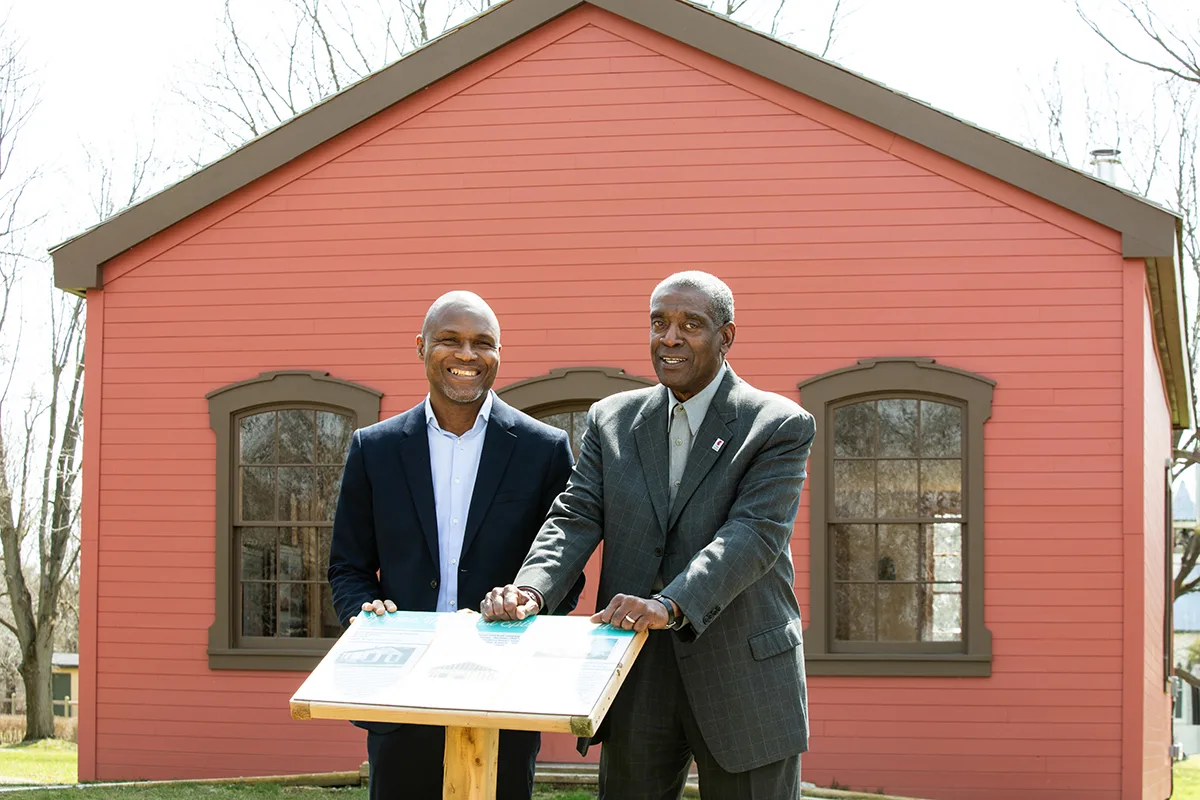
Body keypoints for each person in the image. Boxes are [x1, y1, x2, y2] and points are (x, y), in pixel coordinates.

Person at [482, 271, 814, 799]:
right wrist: (532, 589)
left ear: (726, 337)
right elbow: (575, 514)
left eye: (691, 324)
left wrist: (670, 604)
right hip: (635, 673)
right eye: (659, 322)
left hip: (743, 674)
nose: (670, 337)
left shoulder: (777, 425)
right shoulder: (612, 420)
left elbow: (752, 535)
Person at [328, 291, 583, 800]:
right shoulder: (373, 449)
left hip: (502, 695)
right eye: (450, 340)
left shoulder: (543, 449)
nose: (466, 355)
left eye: (481, 343)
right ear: (420, 347)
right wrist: (364, 612)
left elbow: (565, 571)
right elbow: (347, 567)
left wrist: (526, 603)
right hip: (398, 698)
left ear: (498, 353)